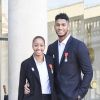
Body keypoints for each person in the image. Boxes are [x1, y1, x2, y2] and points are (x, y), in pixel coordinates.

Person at [24, 13, 93, 100]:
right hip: (54, 97)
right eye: (58, 25)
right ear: (54, 27)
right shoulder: (51, 48)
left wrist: (80, 94)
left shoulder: (78, 46)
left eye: (63, 25)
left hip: (72, 97)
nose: (60, 27)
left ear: (68, 26)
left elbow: (88, 72)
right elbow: (44, 71)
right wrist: (29, 83)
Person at [18, 36, 57, 100]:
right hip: (32, 97)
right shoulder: (25, 64)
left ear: (44, 46)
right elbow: (21, 86)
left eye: (41, 45)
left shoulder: (51, 61)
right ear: (32, 46)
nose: (39, 48)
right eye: (36, 45)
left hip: (50, 97)